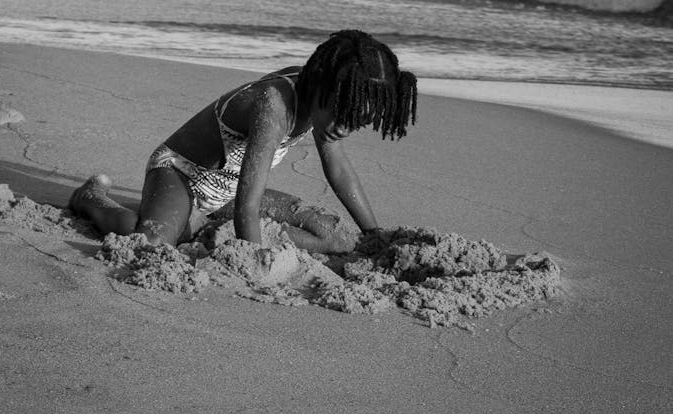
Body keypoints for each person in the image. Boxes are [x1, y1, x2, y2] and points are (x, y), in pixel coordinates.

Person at [69, 29, 417, 253]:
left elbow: (338, 168)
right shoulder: (273, 106)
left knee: (332, 234)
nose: (344, 128)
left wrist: (374, 234)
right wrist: (253, 259)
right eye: (343, 117)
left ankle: (199, 226)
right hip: (183, 175)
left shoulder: (324, 102)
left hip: (231, 191)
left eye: (357, 123)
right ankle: (92, 198)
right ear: (324, 86)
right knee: (149, 243)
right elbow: (247, 207)